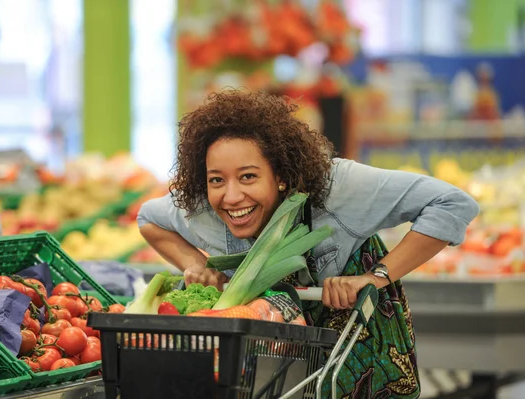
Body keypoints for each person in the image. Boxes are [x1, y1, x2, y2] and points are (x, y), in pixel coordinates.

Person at [137, 90, 480, 398]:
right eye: (216, 180)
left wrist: (375, 277)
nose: (231, 196)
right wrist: (195, 264)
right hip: (274, 363)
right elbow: (149, 220)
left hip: (355, 346)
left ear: (281, 175)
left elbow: (452, 204)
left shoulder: (340, 188)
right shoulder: (203, 209)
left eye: (248, 177)